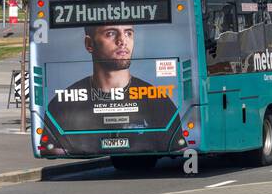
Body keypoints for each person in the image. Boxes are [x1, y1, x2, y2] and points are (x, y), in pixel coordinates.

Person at [46, 22, 177, 131]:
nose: (122, 41)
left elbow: (179, 147)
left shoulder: (160, 102)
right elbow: (54, 150)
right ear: (89, 44)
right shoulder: (61, 106)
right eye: (111, 33)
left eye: (128, 33)